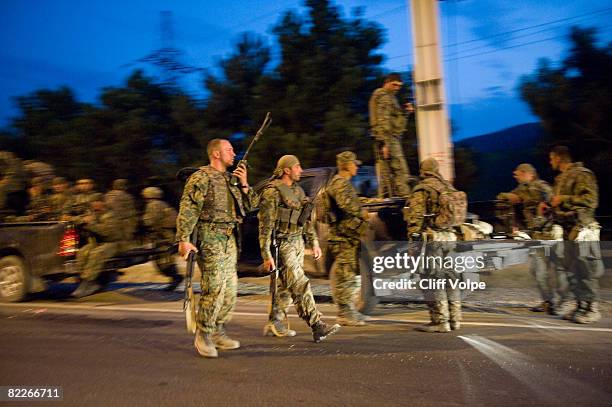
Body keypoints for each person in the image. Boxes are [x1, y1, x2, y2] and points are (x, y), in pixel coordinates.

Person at [176, 138, 257, 358]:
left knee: (230, 289)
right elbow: (188, 208)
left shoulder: (232, 180)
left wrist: (244, 184)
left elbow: (250, 207)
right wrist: (183, 239)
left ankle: (218, 330)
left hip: (230, 239)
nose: (234, 153)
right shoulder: (201, 178)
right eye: (229, 150)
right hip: (209, 237)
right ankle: (203, 334)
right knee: (215, 287)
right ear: (216, 154)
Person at [259, 155, 340, 341]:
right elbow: (265, 227)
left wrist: (314, 243)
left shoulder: (297, 190)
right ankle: (317, 325)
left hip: (297, 243)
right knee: (299, 283)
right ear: (287, 170)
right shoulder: (272, 192)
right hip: (283, 244)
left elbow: (305, 220)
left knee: (285, 286)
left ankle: (275, 322)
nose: (301, 171)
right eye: (297, 167)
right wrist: (266, 254)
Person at [541, 146, 605, 324]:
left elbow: (591, 201)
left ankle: (592, 309)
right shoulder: (561, 179)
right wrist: (548, 208)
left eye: (551, 158)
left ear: (559, 157)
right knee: (572, 272)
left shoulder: (582, 174)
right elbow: (559, 208)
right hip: (567, 230)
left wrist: (564, 199)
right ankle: (580, 306)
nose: (550, 162)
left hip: (582, 229)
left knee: (585, 271)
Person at [497, 163, 568, 315]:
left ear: (529, 174)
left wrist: (516, 198)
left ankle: (561, 302)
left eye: (520, 172)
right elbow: (512, 198)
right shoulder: (523, 188)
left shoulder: (541, 187)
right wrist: (505, 197)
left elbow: (552, 204)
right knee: (538, 270)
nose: (516, 174)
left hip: (551, 234)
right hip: (537, 236)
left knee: (557, 270)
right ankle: (548, 301)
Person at [407, 157, 463, 333]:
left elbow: (415, 219)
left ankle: (440, 321)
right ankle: (455, 320)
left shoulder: (422, 189)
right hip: (451, 238)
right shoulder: (448, 187)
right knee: (451, 278)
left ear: (423, 171)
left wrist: (413, 247)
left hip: (433, 240)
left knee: (433, 279)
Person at [325, 151, 370, 326]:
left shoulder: (343, 183)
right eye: (354, 163)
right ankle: (344, 313)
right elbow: (347, 204)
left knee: (350, 275)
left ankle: (349, 310)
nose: (356, 166)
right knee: (345, 276)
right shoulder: (339, 183)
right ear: (345, 165)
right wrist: (362, 212)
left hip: (347, 237)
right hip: (342, 237)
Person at [369, 72, 414, 198]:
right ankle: (406, 200)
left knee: (388, 173)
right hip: (388, 139)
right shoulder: (384, 96)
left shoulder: (389, 97)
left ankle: (391, 198)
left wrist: (406, 112)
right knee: (400, 170)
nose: (397, 88)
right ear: (387, 82)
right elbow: (383, 120)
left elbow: (395, 121)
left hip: (389, 138)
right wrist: (384, 143)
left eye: (399, 86)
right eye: (394, 85)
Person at [72, 193, 125, 298]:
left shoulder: (110, 215)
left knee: (97, 254)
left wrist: (90, 224)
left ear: (103, 203)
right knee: (82, 252)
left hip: (112, 243)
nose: (95, 204)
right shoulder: (93, 214)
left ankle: (88, 282)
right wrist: (82, 220)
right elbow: (78, 219)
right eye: (93, 202)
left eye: (98, 201)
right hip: (96, 243)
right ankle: (83, 281)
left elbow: (106, 232)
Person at [141, 186, 182, 291]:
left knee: (163, 261)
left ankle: (176, 277)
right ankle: (175, 277)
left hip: (162, 237)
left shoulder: (153, 205)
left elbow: (150, 221)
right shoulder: (163, 204)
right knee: (165, 259)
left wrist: (142, 223)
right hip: (166, 235)